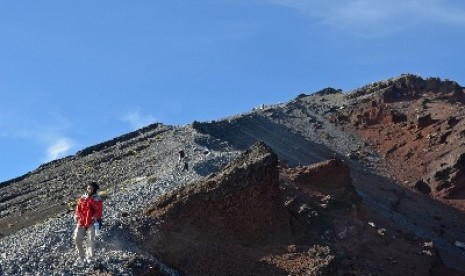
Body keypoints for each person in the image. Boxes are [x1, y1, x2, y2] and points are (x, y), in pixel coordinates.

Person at [73, 182, 103, 264]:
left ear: (94, 189)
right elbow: (77, 209)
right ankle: (81, 256)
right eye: (88, 188)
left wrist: (95, 217)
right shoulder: (82, 198)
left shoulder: (97, 199)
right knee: (76, 238)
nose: (89, 190)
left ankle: (89, 257)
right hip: (81, 222)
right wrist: (76, 216)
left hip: (92, 222)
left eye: (91, 188)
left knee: (90, 240)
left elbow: (99, 211)